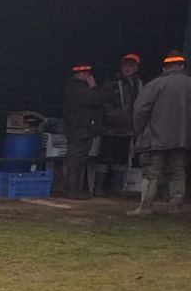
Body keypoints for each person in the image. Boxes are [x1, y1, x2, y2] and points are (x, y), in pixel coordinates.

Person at [131, 51, 190, 215]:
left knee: (151, 173)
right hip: (182, 139)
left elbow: (140, 110)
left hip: (156, 138)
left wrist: (140, 131)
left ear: (164, 68)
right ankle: (176, 207)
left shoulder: (155, 84)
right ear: (182, 66)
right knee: (178, 171)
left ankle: (145, 207)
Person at [97, 53, 144, 191]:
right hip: (110, 129)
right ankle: (99, 189)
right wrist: (115, 118)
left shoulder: (139, 84)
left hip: (128, 129)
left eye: (131, 66)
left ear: (136, 68)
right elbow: (103, 103)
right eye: (125, 65)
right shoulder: (111, 83)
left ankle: (116, 189)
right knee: (104, 158)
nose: (128, 68)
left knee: (121, 159)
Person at [60, 63, 103, 198]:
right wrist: (94, 87)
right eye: (87, 74)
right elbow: (95, 100)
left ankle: (70, 189)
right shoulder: (78, 88)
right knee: (76, 160)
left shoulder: (72, 87)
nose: (89, 76)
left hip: (76, 128)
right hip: (80, 129)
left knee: (73, 159)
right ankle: (73, 191)